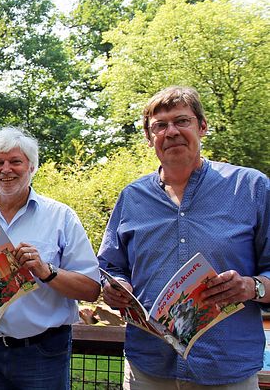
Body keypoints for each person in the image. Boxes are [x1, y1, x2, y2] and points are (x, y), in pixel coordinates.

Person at [98, 86, 269, 389]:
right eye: (160, 126)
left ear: (202, 127)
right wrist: (116, 287)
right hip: (148, 367)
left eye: (182, 121)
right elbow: (110, 266)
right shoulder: (132, 197)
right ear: (150, 138)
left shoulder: (251, 188)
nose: (171, 131)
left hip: (225, 368)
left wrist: (251, 286)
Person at [0, 127, 101, 390]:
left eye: (15, 161)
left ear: (31, 167)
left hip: (43, 354)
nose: (6, 169)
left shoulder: (60, 217)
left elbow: (91, 288)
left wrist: (46, 270)